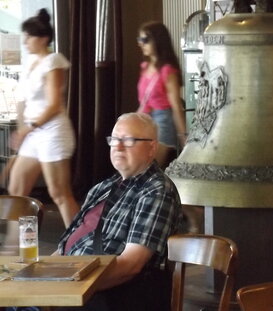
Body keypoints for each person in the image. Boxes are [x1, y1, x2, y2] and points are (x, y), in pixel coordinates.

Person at [54, 112, 182, 311]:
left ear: (152, 148)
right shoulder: (102, 187)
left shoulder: (156, 190)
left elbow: (130, 265)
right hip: (70, 285)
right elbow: (63, 248)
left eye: (129, 140)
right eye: (114, 139)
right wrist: (38, 276)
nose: (118, 146)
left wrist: (68, 288)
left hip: (112, 296)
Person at [8, 8, 79, 228]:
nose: (25, 41)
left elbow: (54, 105)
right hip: (33, 133)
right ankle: (15, 245)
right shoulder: (30, 64)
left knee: (59, 193)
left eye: (29, 37)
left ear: (44, 38)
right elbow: (24, 102)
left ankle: (80, 243)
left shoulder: (54, 61)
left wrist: (28, 128)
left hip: (52, 132)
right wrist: (22, 130)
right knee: (16, 191)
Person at [137, 21, 186, 168]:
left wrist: (184, 138)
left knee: (151, 168)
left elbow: (176, 106)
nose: (141, 44)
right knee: (141, 167)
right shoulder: (145, 67)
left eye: (145, 40)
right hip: (145, 121)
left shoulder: (168, 71)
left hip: (163, 120)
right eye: (139, 40)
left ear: (157, 40)